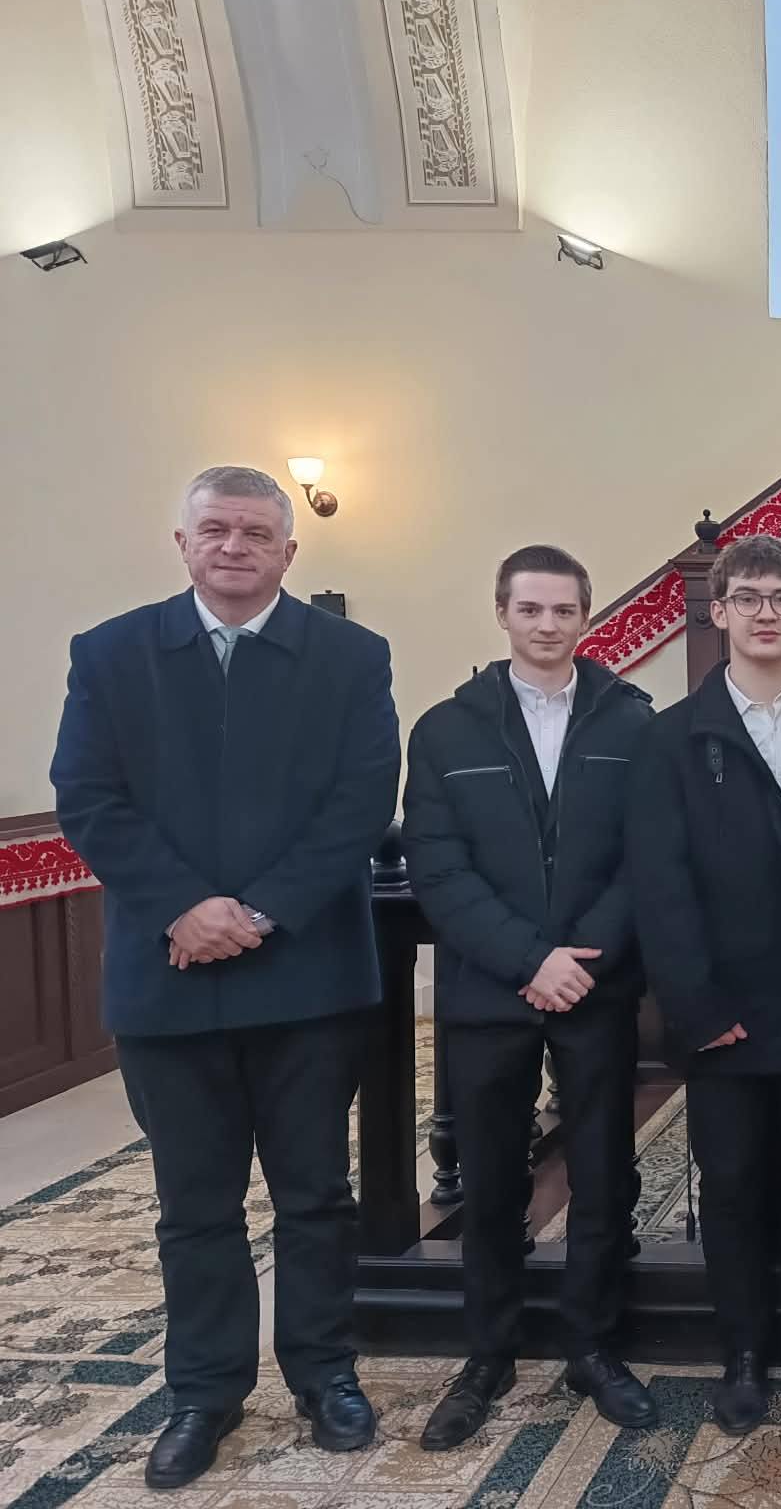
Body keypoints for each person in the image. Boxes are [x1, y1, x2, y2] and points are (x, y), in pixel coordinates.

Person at [50, 466, 400, 1490]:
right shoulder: (111, 654)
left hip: (308, 977)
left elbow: (360, 800)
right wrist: (186, 908)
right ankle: (204, 1392)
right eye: (216, 530)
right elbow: (89, 796)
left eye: (255, 532)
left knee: (315, 1196)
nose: (234, 547)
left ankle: (325, 1374)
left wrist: (256, 913)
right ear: (183, 543)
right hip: (168, 980)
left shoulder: (351, 656)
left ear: (290, 550)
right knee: (193, 1204)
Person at [401, 545, 658, 1447]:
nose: (548, 625)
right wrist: (528, 958)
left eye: (564, 610)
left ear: (587, 616)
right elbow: (439, 866)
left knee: (603, 1173)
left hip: (596, 981)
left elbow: (645, 856)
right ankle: (489, 1352)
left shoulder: (634, 720)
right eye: (531, 609)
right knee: (489, 1177)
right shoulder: (446, 730)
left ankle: (594, 1345)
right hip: (490, 988)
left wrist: (580, 957)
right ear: (503, 613)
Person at [625, 535, 781, 1436]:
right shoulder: (671, 737)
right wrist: (695, 1006)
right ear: (718, 611)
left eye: (780, 598)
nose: (765, 612)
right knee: (731, 1187)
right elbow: (661, 885)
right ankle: (742, 1355)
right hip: (722, 1014)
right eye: (748, 598)